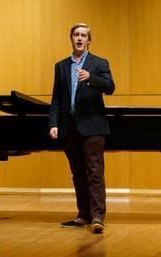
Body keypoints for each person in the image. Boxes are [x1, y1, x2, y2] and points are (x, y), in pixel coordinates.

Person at [48, 23, 115, 234]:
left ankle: (97, 216)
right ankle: (83, 214)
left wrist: (92, 78)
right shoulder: (61, 66)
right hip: (70, 127)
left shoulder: (99, 63)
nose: (79, 38)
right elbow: (56, 99)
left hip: (93, 127)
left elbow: (111, 87)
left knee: (94, 172)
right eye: (76, 35)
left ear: (89, 40)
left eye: (83, 35)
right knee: (77, 173)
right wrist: (53, 124)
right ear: (71, 38)